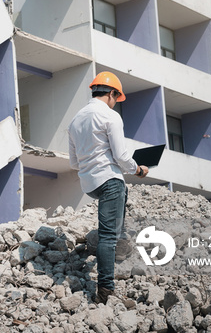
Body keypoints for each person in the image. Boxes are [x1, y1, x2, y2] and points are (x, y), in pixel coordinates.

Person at [68, 71, 148, 304]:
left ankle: (118, 239)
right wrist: (138, 170)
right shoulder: (109, 116)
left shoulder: (75, 120)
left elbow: (74, 162)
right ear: (112, 93)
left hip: (89, 184)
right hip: (109, 181)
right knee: (107, 238)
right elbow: (122, 157)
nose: (115, 103)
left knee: (120, 199)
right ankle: (105, 291)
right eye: (116, 98)